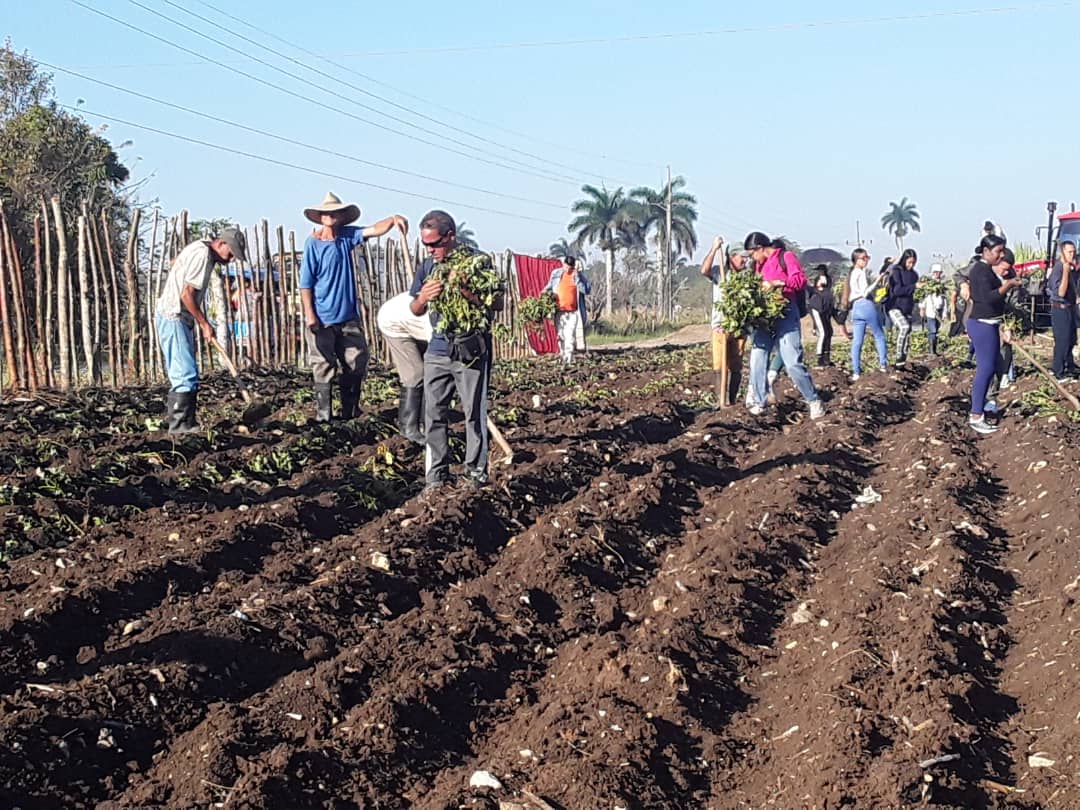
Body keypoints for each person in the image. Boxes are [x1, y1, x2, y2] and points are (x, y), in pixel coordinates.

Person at [410, 210, 499, 492]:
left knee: (473, 413)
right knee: (433, 413)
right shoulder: (427, 268)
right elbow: (415, 308)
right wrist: (424, 297)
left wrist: (467, 293)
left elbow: (496, 304)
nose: (430, 250)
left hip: (470, 351)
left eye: (434, 244)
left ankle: (475, 474)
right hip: (437, 350)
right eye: (425, 244)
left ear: (450, 236)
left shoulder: (478, 262)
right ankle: (436, 477)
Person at [299, 192, 408, 422]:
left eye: (335, 213)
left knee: (357, 361)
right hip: (322, 316)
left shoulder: (348, 237)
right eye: (326, 213)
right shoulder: (313, 244)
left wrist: (393, 219)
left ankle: (350, 412)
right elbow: (306, 284)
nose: (330, 216)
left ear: (341, 216)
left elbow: (374, 229)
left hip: (347, 316)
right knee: (323, 365)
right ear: (320, 217)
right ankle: (324, 416)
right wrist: (310, 315)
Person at [155, 227, 247, 433]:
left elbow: (176, 264)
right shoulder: (203, 255)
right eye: (231, 253)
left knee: (185, 371)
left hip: (175, 316)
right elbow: (186, 295)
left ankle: (184, 424)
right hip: (173, 315)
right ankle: (181, 427)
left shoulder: (198, 247)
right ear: (221, 244)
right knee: (184, 374)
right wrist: (204, 324)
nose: (231, 259)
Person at [743, 232, 824, 419]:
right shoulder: (758, 266)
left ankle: (813, 400)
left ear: (760, 248)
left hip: (786, 312)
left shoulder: (785, 257)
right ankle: (760, 401)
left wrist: (778, 283)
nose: (751, 258)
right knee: (757, 358)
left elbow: (800, 281)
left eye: (752, 254)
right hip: (765, 315)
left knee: (792, 362)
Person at [966, 234, 1023, 434]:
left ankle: (981, 408)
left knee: (990, 368)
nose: (1001, 256)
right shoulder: (980, 271)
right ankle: (976, 415)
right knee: (986, 369)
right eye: (998, 251)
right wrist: (1008, 285)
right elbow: (988, 298)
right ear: (986, 251)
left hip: (990, 324)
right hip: (982, 324)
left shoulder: (986, 270)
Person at [376, 292, 430, 444]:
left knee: (430, 373)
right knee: (416, 373)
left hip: (412, 324)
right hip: (394, 323)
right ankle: (408, 427)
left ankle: (426, 422)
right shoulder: (433, 319)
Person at [700, 236, 747, 406]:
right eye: (741, 257)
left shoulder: (746, 277)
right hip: (720, 326)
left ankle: (732, 402)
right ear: (732, 257)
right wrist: (714, 248)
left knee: (736, 366)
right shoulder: (720, 273)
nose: (745, 260)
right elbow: (704, 270)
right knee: (719, 365)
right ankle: (721, 402)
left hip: (740, 328)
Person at [847, 248, 888, 381]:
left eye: (867, 257)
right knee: (879, 335)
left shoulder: (852, 273)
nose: (866, 260)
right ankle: (883, 365)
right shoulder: (860, 273)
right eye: (864, 258)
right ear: (856, 260)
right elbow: (865, 292)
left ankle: (856, 372)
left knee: (857, 341)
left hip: (855, 307)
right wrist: (878, 281)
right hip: (866, 305)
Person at [544, 255, 591, 364]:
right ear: (563, 264)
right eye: (566, 267)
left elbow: (586, 290)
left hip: (573, 312)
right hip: (559, 311)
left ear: (573, 267)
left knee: (569, 335)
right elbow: (549, 287)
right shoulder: (556, 274)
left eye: (570, 268)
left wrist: (577, 279)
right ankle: (563, 355)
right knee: (561, 335)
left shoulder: (579, 276)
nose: (568, 270)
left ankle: (568, 359)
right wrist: (544, 293)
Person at [1047, 239, 1080, 381]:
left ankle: (1070, 365)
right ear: (1063, 253)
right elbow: (1061, 292)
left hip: (1069, 308)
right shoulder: (1059, 269)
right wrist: (1066, 272)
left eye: (1074, 252)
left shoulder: (1072, 268)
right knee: (1062, 340)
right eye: (1069, 252)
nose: (1072, 255)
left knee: (1071, 338)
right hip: (1059, 309)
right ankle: (1058, 371)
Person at [885, 249, 919, 366]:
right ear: (904, 260)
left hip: (907, 307)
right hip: (894, 306)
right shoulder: (897, 272)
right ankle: (898, 356)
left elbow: (914, 294)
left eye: (913, 263)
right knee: (904, 327)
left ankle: (902, 361)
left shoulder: (914, 275)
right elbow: (897, 290)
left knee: (908, 333)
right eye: (909, 262)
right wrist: (914, 286)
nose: (911, 265)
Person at [807, 266, 836, 367]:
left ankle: (827, 357)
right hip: (818, 308)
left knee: (829, 332)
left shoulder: (828, 281)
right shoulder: (816, 291)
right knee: (823, 333)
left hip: (825, 308)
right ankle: (820, 359)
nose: (819, 273)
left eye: (820, 271)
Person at [920, 263, 948, 356]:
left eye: (939, 272)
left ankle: (934, 350)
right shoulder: (928, 284)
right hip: (930, 311)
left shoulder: (942, 285)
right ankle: (931, 351)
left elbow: (944, 300)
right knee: (932, 331)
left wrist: (944, 313)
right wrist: (922, 308)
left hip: (939, 312)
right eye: (936, 272)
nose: (937, 274)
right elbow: (923, 297)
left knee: (936, 331)